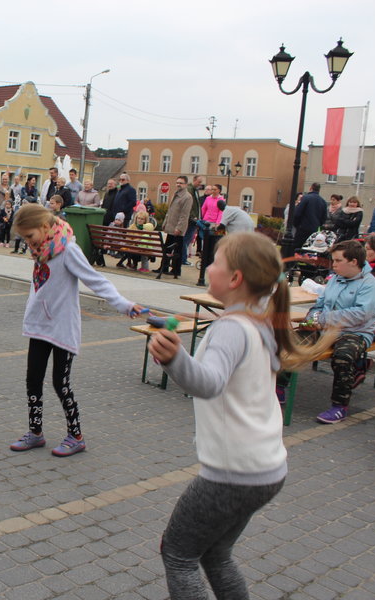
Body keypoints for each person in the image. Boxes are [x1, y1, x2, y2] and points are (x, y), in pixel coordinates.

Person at [148, 231, 330, 600]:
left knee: (178, 554)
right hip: (266, 470)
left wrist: (173, 358)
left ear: (234, 279)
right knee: (215, 553)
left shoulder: (231, 327)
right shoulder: (259, 323)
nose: (207, 265)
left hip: (232, 475)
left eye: (214, 261)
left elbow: (209, 383)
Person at [8, 203, 143, 457]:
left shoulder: (68, 249)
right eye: (24, 237)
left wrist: (123, 304)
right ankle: (35, 432)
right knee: (33, 379)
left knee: (61, 383)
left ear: (45, 227)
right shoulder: (42, 249)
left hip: (62, 327)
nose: (28, 242)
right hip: (39, 325)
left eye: (29, 236)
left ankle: (76, 435)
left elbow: (96, 280)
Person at [281, 240, 375, 424]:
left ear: (353, 261)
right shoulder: (336, 278)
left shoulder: (369, 284)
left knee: (343, 357)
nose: (333, 264)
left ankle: (340, 406)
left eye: (338, 260)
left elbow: (359, 315)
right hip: (324, 328)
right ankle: (279, 387)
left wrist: (322, 319)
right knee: (293, 341)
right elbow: (319, 304)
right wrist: (311, 321)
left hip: (355, 332)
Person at [157, 176, 193, 277]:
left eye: (181, 183)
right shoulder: (175, 194)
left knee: (177, 250)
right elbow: (169, 211)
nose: (178, 185)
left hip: (178, 228)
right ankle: (163, 267)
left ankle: (176, 270)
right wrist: (165, 222)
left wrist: (179, 228)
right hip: (170, 225)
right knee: (167, 248)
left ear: (185, 184)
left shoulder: (187, 197)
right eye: (177, 182)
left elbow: (184, 215)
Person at [292, 182, 327, 250]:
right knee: (309, 248)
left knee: (297, 247)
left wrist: (296, 224)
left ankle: (294, 260)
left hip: (303, 227)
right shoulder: (323, 201)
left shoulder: (305, 198)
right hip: (314, 229)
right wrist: (318, 224)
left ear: (310, 188)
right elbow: (324, 218)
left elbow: (297, 213)